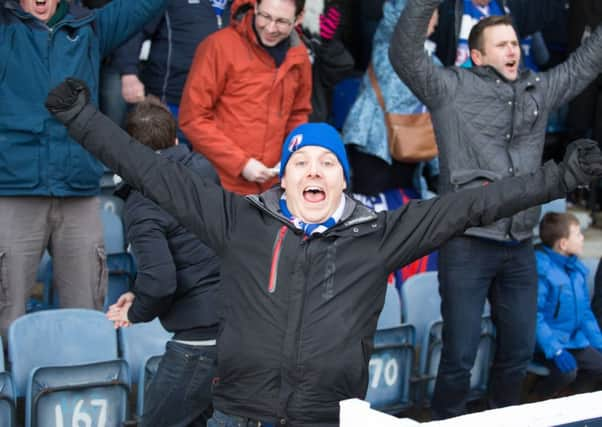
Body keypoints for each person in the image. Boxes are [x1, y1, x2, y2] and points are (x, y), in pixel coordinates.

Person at [45, 77, 602, 426]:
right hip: (238, 417)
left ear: (342, 181)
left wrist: (560, 176)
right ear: (283, 181)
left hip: (329, 420)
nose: (313, 171)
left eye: (327, 163)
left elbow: (474, 206)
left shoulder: (381, 234)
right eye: (301, 163)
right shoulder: (238, 221)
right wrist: (81, 118)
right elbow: (151, 173)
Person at [389, 1, 602, 418]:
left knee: (518, 352)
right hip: (467, 245)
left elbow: (583, 65)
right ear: (477, 55)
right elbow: (404, 54)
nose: (513, 51)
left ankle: (502, 419)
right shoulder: (449, 88)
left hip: (520, 246)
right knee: (459, 357)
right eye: (501, 45)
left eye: (515, 43)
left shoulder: (536, 90)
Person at [0, 0, 167, 338]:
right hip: (14, 189)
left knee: (87, 319)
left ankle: (77, 387)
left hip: (78, 190)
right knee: (6, 316)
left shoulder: (90, 26)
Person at [106, 99, 221, 427]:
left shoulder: (142, 202)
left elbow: (161, 282)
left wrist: (134, 311)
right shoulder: (204, 170)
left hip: (197, 342)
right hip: (236, 327)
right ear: (174, 140)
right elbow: (191, 251)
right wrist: (136, 293)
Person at [179, 0, 312, 195]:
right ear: (255, 7)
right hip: (220, 182)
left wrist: (292, 155)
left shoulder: (299, 56)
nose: (271, 28)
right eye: (265, 16)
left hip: (272, 184)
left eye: (282, 21)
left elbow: (298, 113)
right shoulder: (219, 46)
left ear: (299, 18)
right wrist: (241, 164)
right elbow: (193, 118)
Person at [114, 0, 232, 146]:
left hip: (216, 109)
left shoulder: (243, 6)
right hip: (169, 104)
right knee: (161, 163)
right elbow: (135, 29)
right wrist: (129, 73)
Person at [533, 212, 602, 398]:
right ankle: (538, 402)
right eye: (578, 234)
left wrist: (599, 343)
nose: (582, 239)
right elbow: (534, 317)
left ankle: (570, 402)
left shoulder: (576, 269)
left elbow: (586, 313)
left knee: (599, 366)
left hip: (573, 341)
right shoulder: (543, 270)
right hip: (545, 345)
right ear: (563, 244)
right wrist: (555, 349)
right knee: (567, 372)